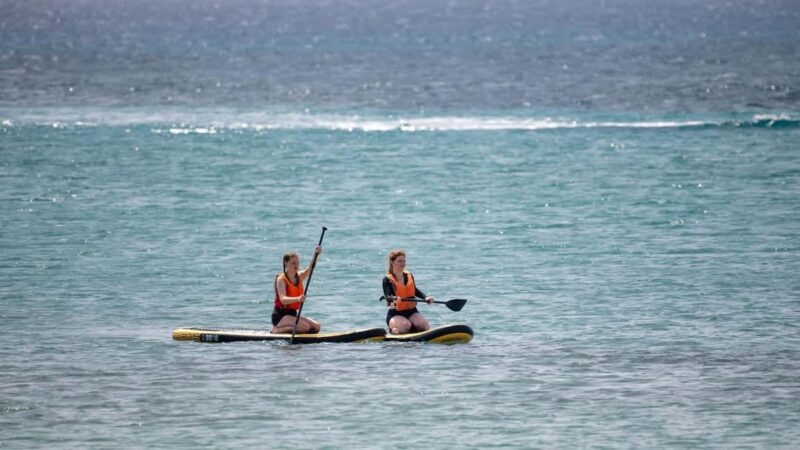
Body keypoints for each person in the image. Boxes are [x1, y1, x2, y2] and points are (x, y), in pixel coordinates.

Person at [271, 245, 322, 334]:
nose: (296, 265)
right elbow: (283, 299)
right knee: (304, 327)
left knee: (316, 327)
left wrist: (316, 255)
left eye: (297, 263)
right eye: (293, 263)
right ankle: (276, 330)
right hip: (280, 316)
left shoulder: (299, 276)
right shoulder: (281, 279)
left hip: (292, 314)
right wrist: (298, 299)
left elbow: (310, 269)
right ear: (286, 264)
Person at [382, 249, 433, 335]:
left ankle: (415, 330)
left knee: (424, 325)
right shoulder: (387, 279)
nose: (402, 263)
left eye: (404, 261)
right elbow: (388, 296)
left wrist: (425, 297)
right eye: (399, 261)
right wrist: (394, 299)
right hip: (395, 313)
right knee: (406, 325)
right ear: (392, 262)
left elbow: (415, 290)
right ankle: (394, 330)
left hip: (412, 311)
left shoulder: (409, 276)